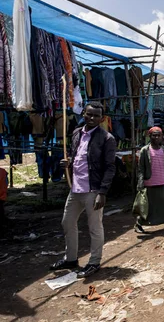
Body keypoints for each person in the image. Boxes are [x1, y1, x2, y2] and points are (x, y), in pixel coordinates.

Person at [50, 102, 116, 278]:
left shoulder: (107, 138)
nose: (92, 118)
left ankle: (94, 261)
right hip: (76, 188)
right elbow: (76, 154)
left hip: (93, 189)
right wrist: (68, 162)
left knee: (94, 227)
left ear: (102, 119)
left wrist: (102, 192)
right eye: (89, 114)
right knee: (67, 222)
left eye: (96, 116)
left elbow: (110, 167)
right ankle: (71, 258)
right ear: (84, 114)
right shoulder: (77, 133)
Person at [136, 127, 164, 234]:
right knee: (148, 206)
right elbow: (141, 168)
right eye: (153, 135)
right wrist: (141, 182)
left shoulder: (162, 150)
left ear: (162, 137)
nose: (156, 137)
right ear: (149, 136)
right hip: (149, 182)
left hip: (161, 181)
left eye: (158, 135)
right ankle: (138, 223)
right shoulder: (145, 150)